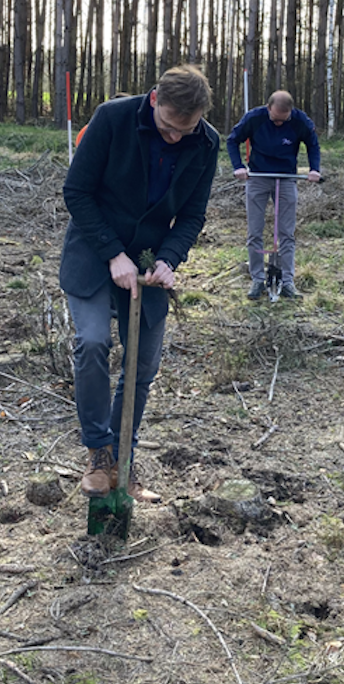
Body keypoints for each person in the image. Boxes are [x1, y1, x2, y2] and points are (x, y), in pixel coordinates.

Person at [60, 65, 219, 500]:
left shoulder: (206, 142)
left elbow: (191, 215)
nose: (174, 138)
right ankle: (98, 453)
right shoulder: (112, 118)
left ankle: (123, 462)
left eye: (184, 130)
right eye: (168, 127)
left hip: (148, 264)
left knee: (142, 368)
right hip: (95, 252)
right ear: (154, 101)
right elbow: (76, 192)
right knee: (92, 342)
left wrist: (168, 259)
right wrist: (113, 254)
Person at [226, 90, 321, 300]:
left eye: (283, 120)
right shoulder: (254, 118)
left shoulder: (300, 121)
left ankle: (287, 282)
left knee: (286, 233)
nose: (279, 123)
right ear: (268, 108)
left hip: (287, 178)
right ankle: (258, 279)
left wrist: (315, 169)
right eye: (275, 119)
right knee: (255, 232)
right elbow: (232, 140)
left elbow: (313, 144)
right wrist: (238, 166)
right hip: (258, 176)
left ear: (291, 113)